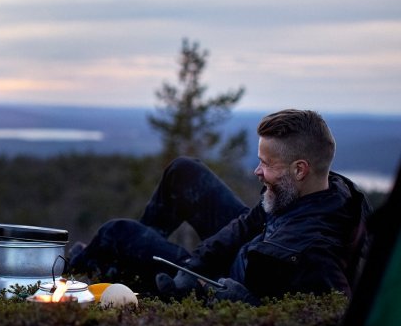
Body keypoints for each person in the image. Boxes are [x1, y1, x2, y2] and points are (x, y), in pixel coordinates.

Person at [67, 109, 371, 304]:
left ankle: (80, 275)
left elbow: (337, 319)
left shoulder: (313, 253)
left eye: (266, 164)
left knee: (117, 233)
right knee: (184, 172)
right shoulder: (322, 188)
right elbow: (244, 224)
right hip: (247, 254)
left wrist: (244, 301)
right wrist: (192, 267)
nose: (257, 171)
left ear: (300, 169)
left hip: (227, 282)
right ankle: (121, 268)